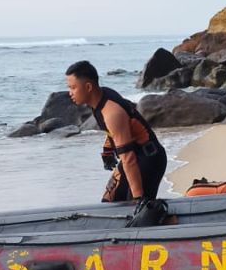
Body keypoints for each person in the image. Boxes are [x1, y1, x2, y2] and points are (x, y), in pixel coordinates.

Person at [65, 60, 166, 203]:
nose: (70, 93)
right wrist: (107, 150)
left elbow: (128, 158)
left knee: (137, 210)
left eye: (73, 87)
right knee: (109, 202)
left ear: (88, 87)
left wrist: (138, 199)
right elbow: (114, 130)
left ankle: (167, 220)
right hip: (136, 157)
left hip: (149, 159)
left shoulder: (112, 113)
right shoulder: (100, 98)